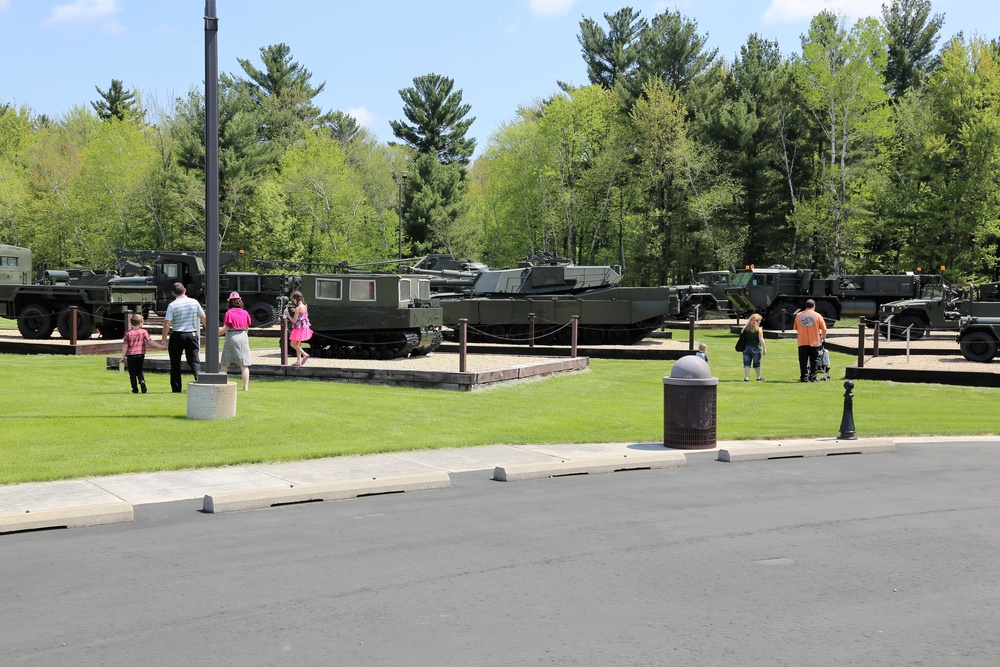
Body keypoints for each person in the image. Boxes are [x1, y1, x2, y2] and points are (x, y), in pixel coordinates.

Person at [160, 282, 206, 393]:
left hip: (177, 334)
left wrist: (163, 339)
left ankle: (176, 388)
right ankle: (199, 382)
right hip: (192, 334)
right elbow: (203, 317)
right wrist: (207, 329)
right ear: (185, 290)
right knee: (194, 360)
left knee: (175, 363)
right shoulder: (194, 302)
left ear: (172, 293)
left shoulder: (172, 305)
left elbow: (167, 323)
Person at [119, 313, 165, 394]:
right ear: (140, 323)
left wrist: (122, 357)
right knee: (139, 370)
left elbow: (125, 346)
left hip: (131, 355)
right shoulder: (143, 332)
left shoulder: (128, 333)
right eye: (142, 322)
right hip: (141, 354)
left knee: (132, 373)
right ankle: (142, 381)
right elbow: (150, 341)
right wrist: (160, 347)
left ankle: (135, 389)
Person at [219, 291, 252, 391]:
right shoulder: (245, 312)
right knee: (244, 364)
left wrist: (216, 333)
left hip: (231, 337)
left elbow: (226, 328)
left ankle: (222, 383)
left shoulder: (229, 313)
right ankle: (245, 387)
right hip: (242, 336)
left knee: (225, 363)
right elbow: (247, 327)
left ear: (230, 302)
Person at [794, 299, 827, 382]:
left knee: (803, 360)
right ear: (814, 306)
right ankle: (813, 377)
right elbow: (824, 329)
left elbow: (796, 328)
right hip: (814, 341)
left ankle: (804, 377)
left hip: (802, 341)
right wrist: (823, 337)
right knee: (814, 360)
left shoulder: (799, 315)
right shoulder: (818, 316)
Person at [286, 291, 312, 366]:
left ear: (296, 299)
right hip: (304, 328)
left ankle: (305, 354)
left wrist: (288, 315)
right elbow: (304, 316)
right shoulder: (304, 306)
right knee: (298, 344)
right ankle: (298, 361)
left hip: (298, 329)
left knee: (292, 344)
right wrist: (295, 311)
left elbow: (294, 321)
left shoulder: (298, 308)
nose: (293, 301)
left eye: (293, 300)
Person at [739, 313, 767, 382]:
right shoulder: (759, 330)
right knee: (757, 364)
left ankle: (746, 377)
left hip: (746, 348)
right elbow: (761, 340)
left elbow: (741, 337)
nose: (760, 322)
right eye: (759, 320)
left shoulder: (744, 328)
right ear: (755, 321)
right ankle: (758, 377)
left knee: (746, 363)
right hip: (756, 348)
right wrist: (764, 348)